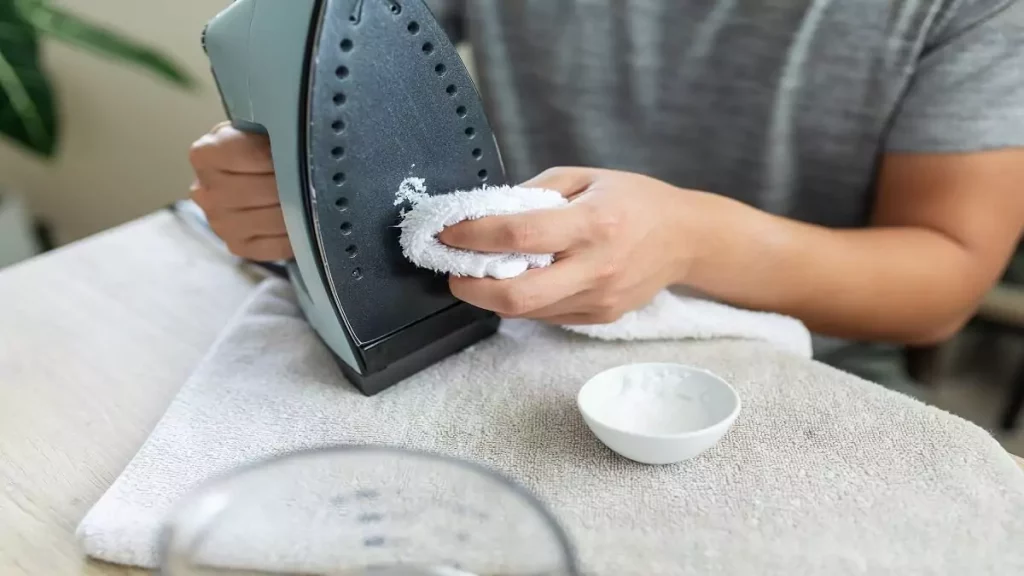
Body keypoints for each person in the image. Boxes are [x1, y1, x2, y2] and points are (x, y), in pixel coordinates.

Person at [188, 0, 1024, 393]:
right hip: (515, 326)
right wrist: (277, 165)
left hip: (809, 356)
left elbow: (944, 279)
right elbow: (341, 36)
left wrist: (694, 241)